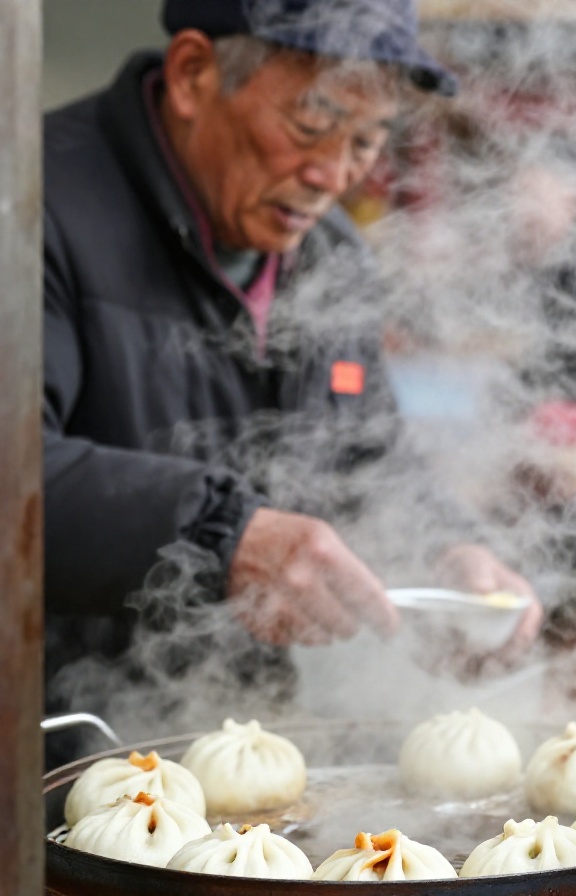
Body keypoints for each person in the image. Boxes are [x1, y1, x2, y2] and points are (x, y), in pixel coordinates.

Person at [42, 0, 539, 744]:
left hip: (228, 739)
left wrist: (446, 549)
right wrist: (221, 534)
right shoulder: (36, 206)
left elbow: (367, 456)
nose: (331, 176)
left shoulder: (331, 253)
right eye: (310, 128)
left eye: (366, 140)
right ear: (192, 73)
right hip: (54, 744)